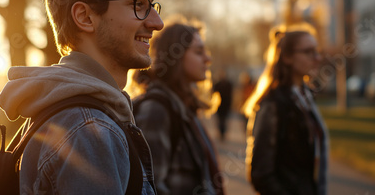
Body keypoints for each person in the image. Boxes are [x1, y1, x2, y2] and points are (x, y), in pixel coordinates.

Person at [0, 0, 163, 194]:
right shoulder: (89, 132)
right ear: (85, 17)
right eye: (139, 5)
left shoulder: (64, 112)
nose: (156, 22)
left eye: (152, 5)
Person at [132, 21, 225, 195]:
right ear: (175, 56)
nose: (207, 59)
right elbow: (151, 187)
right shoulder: (157, 110)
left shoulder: (185, 108)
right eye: (198, 52)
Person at [243, 23, 329, 195]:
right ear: (287, 58)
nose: (317, 58)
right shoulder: (273, 105)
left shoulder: (305, 97)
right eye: (308, 52)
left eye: (316, 51)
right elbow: (261, 174)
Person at [213, 69, 234, 141]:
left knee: (224, 120)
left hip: (225, 105)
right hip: (218, 106)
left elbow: (231, 95)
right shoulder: (218, 84)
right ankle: (221, 132)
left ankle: (223, 132)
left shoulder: (228, 84)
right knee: (220, 120)